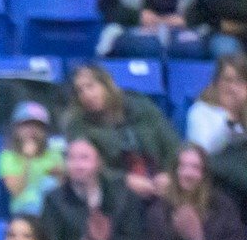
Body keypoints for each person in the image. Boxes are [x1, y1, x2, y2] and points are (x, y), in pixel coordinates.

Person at [62, 62, 178, 200]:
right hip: (115, 194)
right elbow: (89, 166)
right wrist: (124, 181)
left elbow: (171, 143)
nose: (86, 94)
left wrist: (168, 173)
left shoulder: (141, 106)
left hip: (159, 181)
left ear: (106, 85)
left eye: (90, 86)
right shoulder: (78, 124)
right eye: (80, 91)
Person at [40, 136, 146, 240]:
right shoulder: (54, 200)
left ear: (99, 162)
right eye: (71, 158)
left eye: (84, 158)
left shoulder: (124, 197)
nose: (77, 165)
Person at [99, 0, 235, 57]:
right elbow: (107, 7)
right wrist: (137, 17)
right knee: (147, 46)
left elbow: (214, 9)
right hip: (134, 30)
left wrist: (186, 19)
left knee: (194, 47)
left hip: (189, 32)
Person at [0, 102, 64, 217]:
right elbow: (15, 190)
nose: (32, 130)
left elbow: (62, 186)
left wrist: (60, 173)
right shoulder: (8, 156)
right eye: (26, 125)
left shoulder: (53, 154)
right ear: (16, 128)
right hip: (23, 212)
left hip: (53, 213)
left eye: (37, 126)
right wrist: (27, 160)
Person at [187, 54, 247, 158]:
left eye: (240, 81)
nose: (232, 88)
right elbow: (202, 153)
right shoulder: (201, 111)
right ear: (216, 83)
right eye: (228, 80)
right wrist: (229, 123)